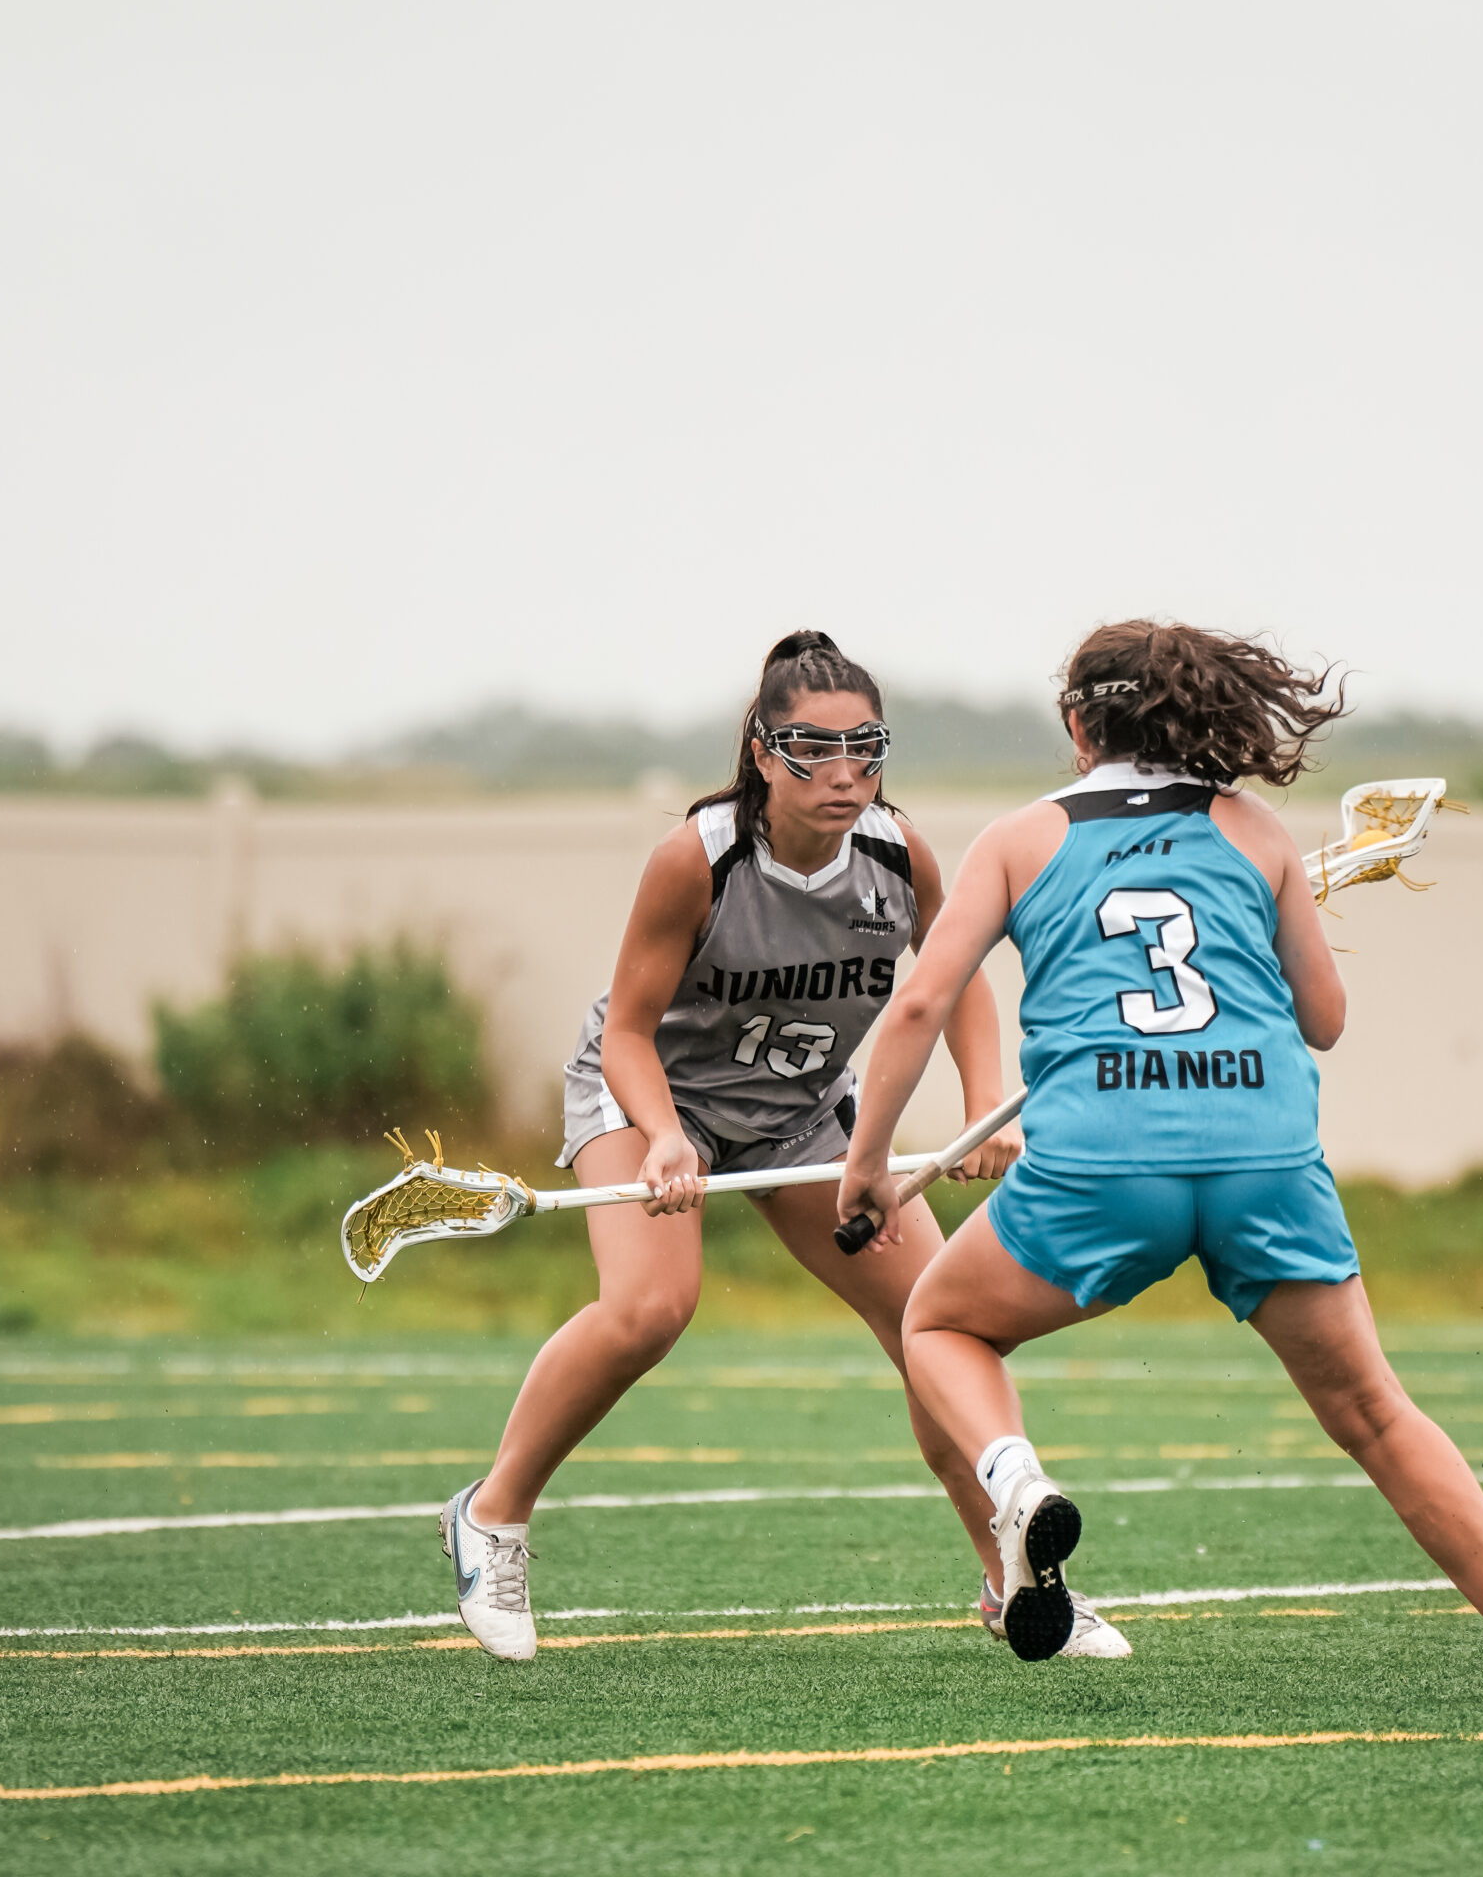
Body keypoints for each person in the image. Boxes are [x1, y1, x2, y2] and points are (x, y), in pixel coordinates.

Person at [837, 618, 1483, 1705]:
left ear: (1077, 726)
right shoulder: (1254, 830)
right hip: (1262, 1160)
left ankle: (1015, 1482)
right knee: (1373, 1411)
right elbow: (1324, 1021)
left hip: (1106, 1163)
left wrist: (866, 1165)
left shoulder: (1017, 839)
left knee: (940, 1324)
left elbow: (922, 1001)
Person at [440, 632, 1129, 1665]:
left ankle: (1011, 1581)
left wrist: (987, 1101)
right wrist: (664, 1137)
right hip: (654, 1098)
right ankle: (491, 1514)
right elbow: (628, 1033)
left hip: (798, 1113)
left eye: (865, 746)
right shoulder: (698, 859)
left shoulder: (897, 856)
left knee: (937, 1322)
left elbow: (954, 983)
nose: (843, 772)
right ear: (763, 753)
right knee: (650, 1307)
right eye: (813, 748)